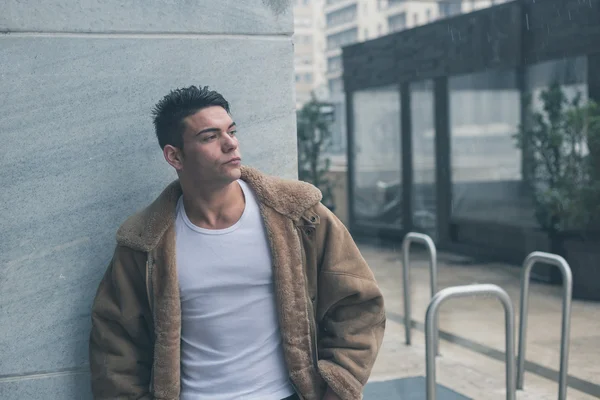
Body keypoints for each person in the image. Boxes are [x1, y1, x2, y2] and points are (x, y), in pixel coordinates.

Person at [89, 85, 385, 400]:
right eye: (210, 137)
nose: (231, 144)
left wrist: (338, 388)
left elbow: (358, 303)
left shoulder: (299, 214)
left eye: (231, 131)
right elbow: (114, 345)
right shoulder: (144, 242)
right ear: (174, 155)